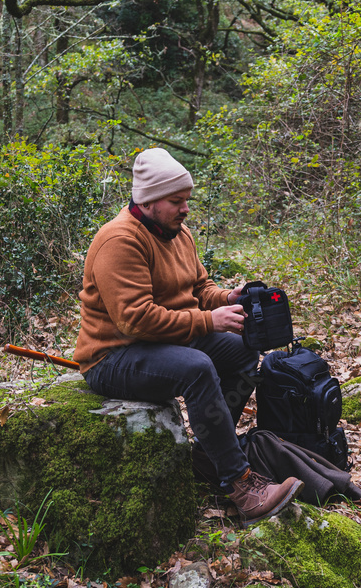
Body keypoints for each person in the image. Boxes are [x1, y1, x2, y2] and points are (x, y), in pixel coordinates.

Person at [74, 148, 302, 525]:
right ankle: (240, 484)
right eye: (176, 201)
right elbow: (135, 320)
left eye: (187, 200)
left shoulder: (179, 233)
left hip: (164, 340)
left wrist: (228, 298)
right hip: (113, 356)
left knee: (244, 353)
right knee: (197, 368)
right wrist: (208, 321)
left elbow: (199, 288)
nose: (185, 209)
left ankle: (209, 457)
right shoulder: (119, 240)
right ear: (148, 200)